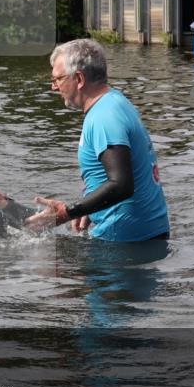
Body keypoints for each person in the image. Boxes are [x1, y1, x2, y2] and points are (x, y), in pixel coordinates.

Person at [25, 39, 170, 242]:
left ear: (79, 78)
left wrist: (66, 213)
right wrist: (90, 206)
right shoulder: (114, 103)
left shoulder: (104, 117)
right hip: (141, 237)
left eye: (57, 79)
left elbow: (121, 185)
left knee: (44, 266)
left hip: (125, 245)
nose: (54, 87)